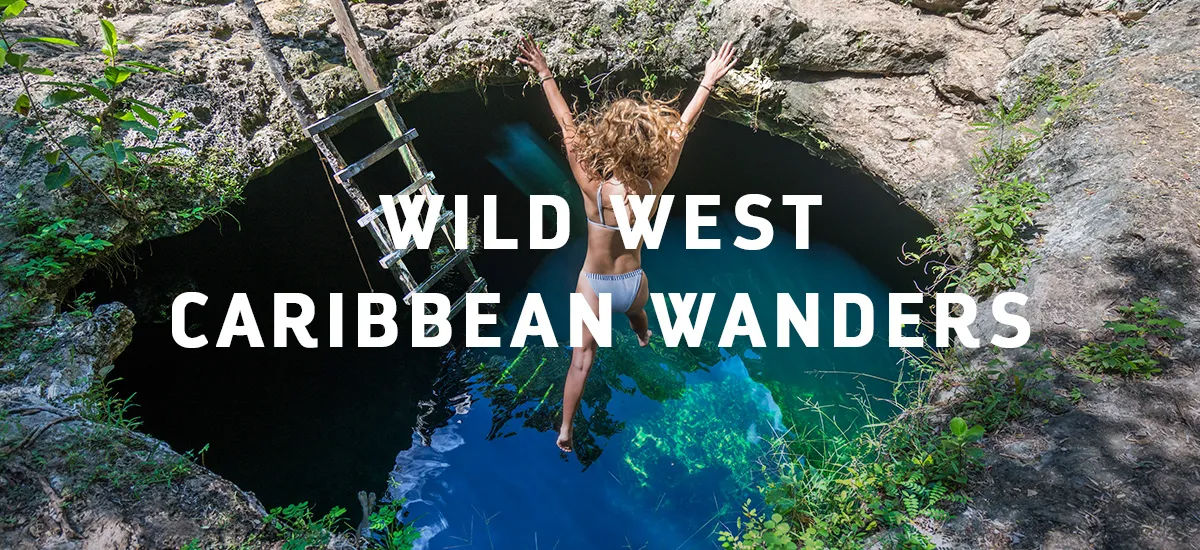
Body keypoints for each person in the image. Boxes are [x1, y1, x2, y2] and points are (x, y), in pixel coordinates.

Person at [517, 36, 738, 453]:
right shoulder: (657, 182)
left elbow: (567, 125)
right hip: (633, 282)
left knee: (582, 359)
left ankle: (565, 430)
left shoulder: (592, 187)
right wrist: (708, 79)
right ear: (648, 144)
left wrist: (544, 72)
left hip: (594, 285)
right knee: (637, 311)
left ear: (610, 141)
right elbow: (682, 127)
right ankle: (643, 333)